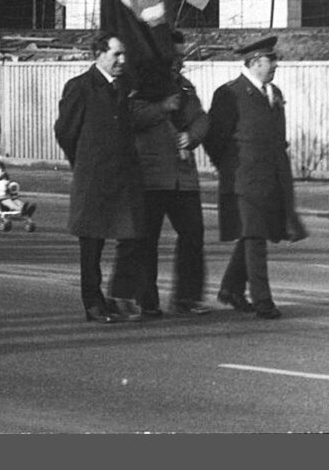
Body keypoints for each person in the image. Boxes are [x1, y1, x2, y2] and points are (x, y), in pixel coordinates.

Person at [205, 35, 306, 319]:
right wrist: (229, 169)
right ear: (255, 63)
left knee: (255, 234)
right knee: (255, 237)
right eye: (270, 61)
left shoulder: (273, 93)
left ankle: (231, 289)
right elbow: (214, 138)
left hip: (272, 178)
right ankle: (263, 301)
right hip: (244, 179)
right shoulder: (230, 93)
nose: (275, 65)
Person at [54, 33, 145, 323]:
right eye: (117, 54)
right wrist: (83, 162)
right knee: (92, 245)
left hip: (122, 179)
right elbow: (65, 132)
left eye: (124, 54)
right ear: (99, 54)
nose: (123, 60)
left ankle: (118, 295)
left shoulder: (123, 88)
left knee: (132, 236)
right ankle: (93, 303)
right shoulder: (81, 87)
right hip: (93, 178)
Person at [123, 33, 211, 317]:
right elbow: (131, 117)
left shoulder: (184, 87)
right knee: (146, 240)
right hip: (150, 175)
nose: (180, 61)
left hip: (182, 176)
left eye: (182, 56)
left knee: (193, 233)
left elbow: (201, 118)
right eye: (176, 56)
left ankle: (186, 297)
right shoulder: (140, 85)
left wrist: (191, 136)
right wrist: (162, 107)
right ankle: (147, 300)